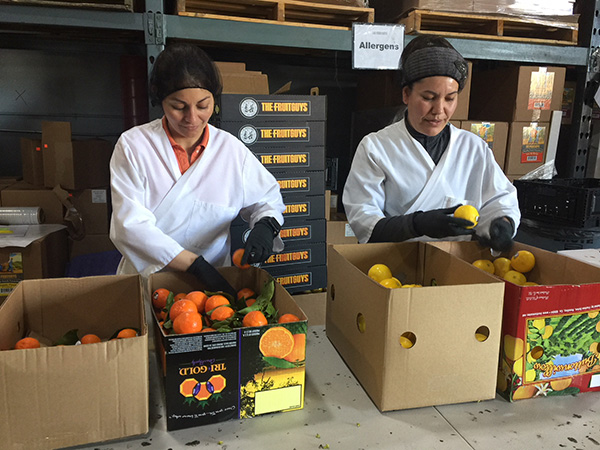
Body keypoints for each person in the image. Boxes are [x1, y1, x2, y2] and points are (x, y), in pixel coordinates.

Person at [109, 43, 285, 296]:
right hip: (149, 282)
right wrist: (194, 265)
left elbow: (266, 199)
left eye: (203, 106)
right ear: (160, 100)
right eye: (179, 107)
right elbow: (130, 226)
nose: (192, 118)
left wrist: (265, 226)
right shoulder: (134, 146)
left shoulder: (230, 150)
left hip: (213, 289)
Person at [342, 35, 520, 252]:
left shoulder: (473, 148)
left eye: (450, 98)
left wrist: (502, 223)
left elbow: (500, 200)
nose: (439, 110)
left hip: (459, 269)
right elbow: (364, 224)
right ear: (406, 94)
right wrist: (416, 224)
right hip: (393, 268)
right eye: (428, 97)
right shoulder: (376, 148)